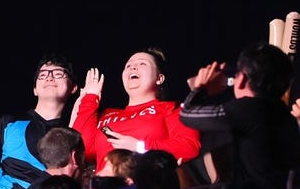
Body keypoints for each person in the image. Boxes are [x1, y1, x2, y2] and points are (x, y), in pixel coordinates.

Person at [179, 41, 300, 189]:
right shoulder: (284, 115)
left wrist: (202, 88)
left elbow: (187, 115)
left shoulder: (250, 109)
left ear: (243, 78)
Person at [0, 53, 79, 189]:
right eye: (43, 74)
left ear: (73, 87)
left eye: (58, 73)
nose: (49, 78)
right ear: (34, 89)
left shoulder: (72, 132)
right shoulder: (8, 122)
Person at [71, 47, 202, 173]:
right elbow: (82, 150)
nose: (133, 67)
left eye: (142, 64)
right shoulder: (108, 115)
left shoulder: (172, 109)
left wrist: (140, 146)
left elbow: (189, 147)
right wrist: (90, 98)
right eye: (128, 66)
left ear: (159, 78)